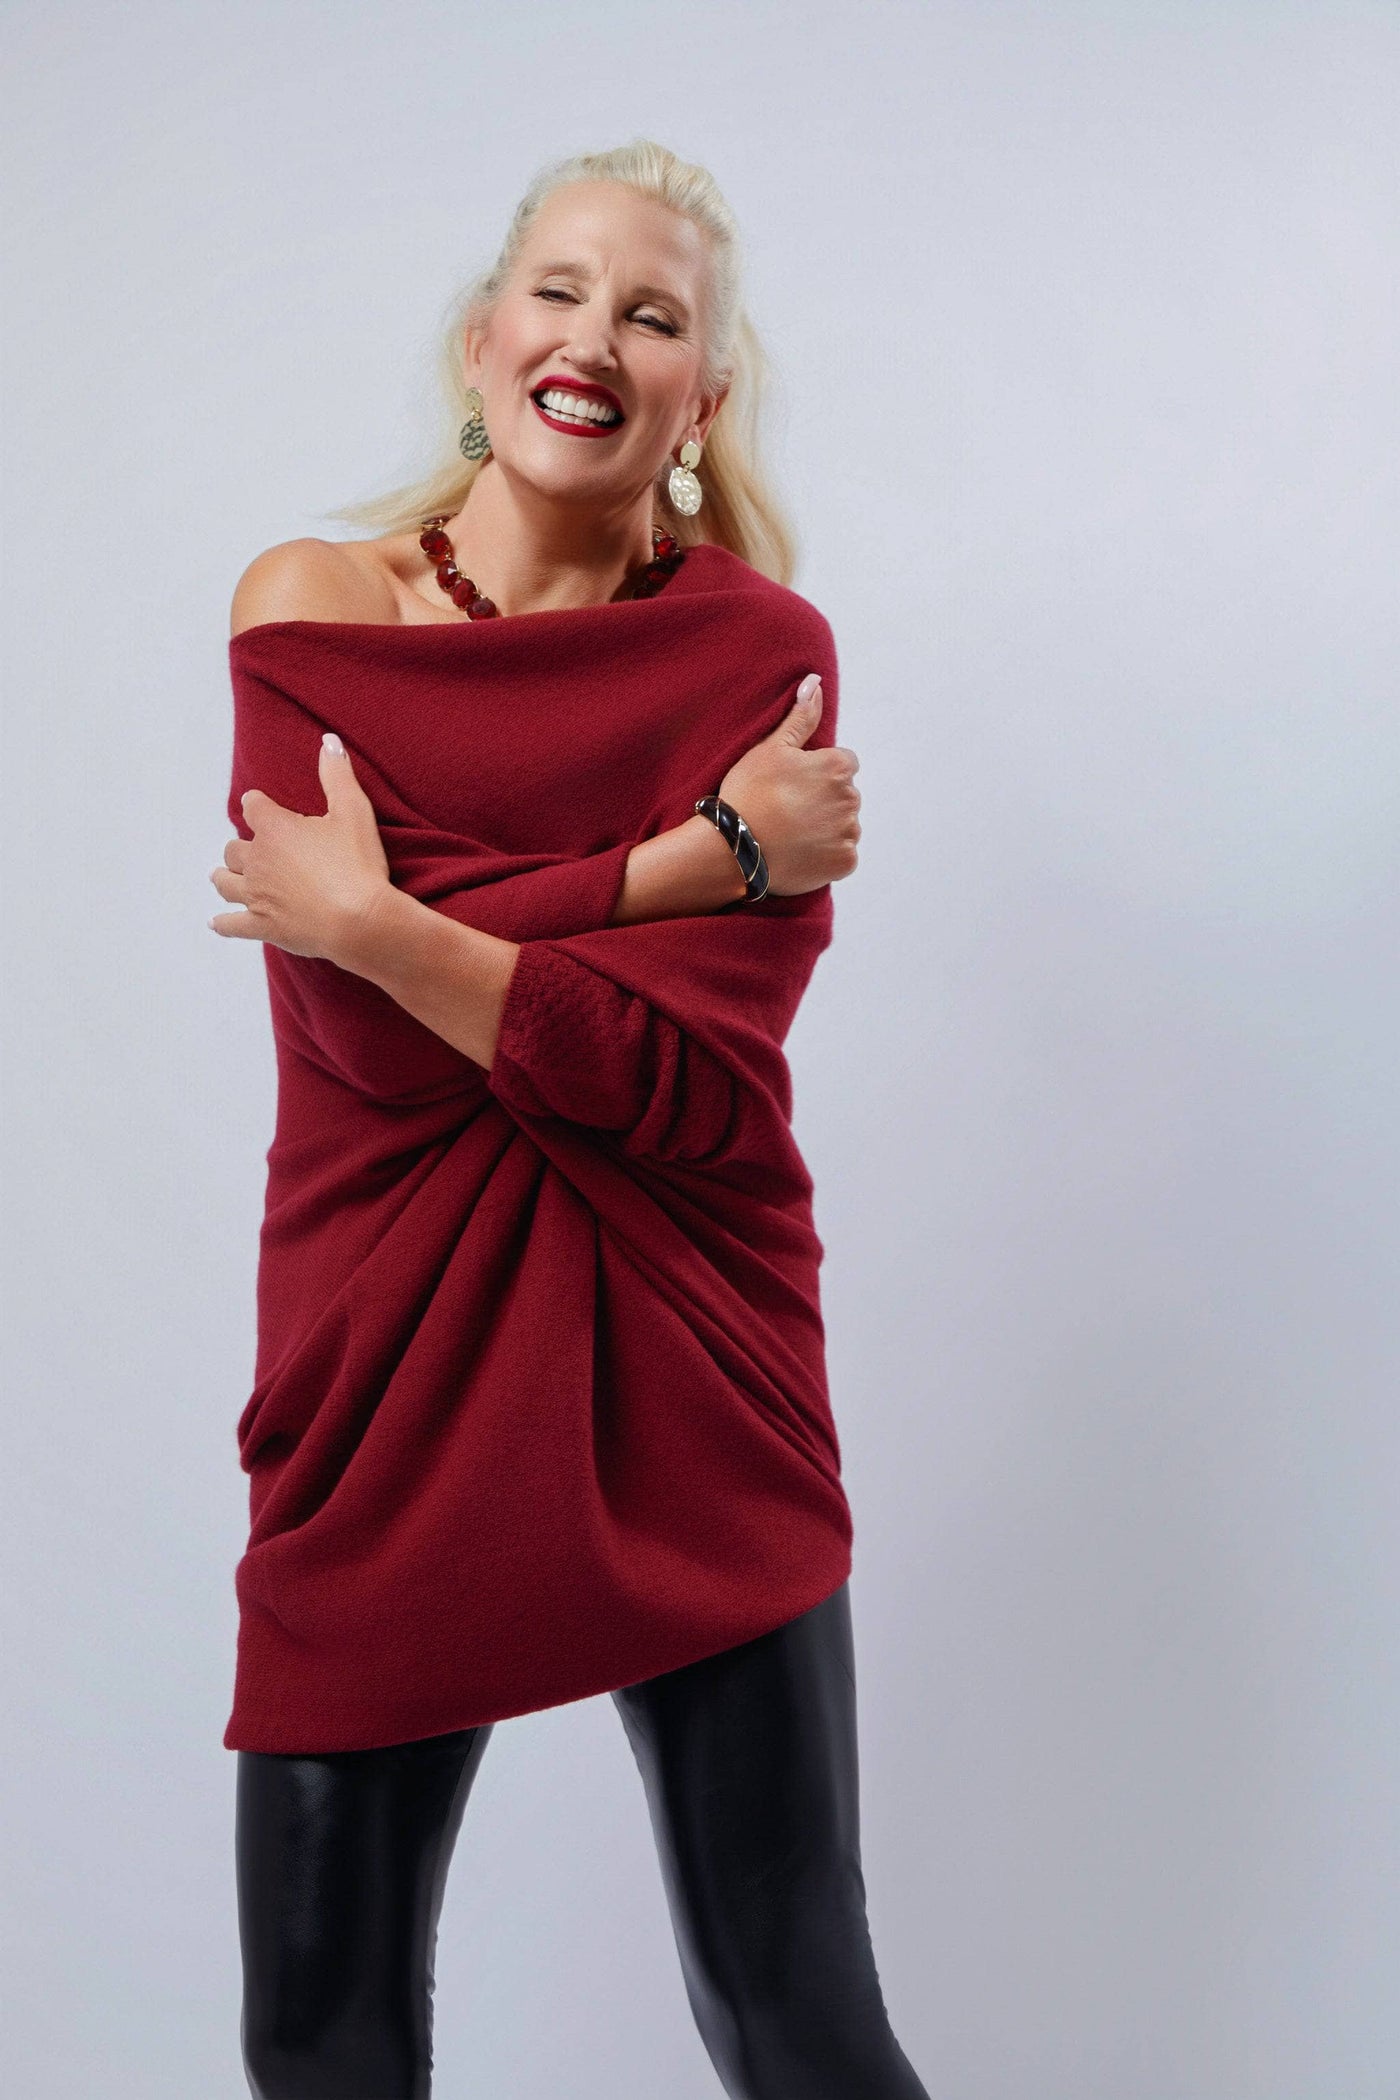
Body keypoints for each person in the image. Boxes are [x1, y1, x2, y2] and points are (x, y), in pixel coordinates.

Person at [211, 138, 929, 2100]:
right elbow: (357, 1037)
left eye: (652, 312)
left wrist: (387, 922)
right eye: (557, 288)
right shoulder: (313, 603)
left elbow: (685, 1091)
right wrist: (689, 864)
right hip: (381, 1365)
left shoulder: (757, 663)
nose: (592, 336)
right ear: (480, 339)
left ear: (700, 398)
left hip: (693, 1357)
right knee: (319, 2034)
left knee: (794, 2007)